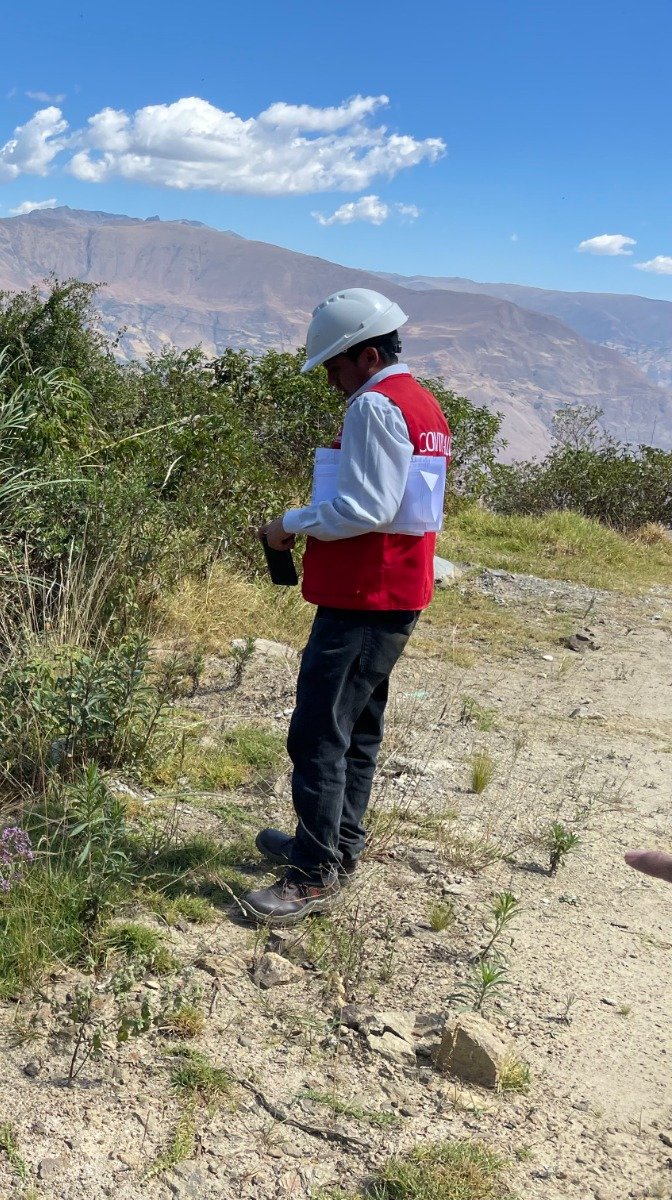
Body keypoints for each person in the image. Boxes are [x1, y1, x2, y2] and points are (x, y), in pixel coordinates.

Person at [244, 288, 451, 926]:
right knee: (357, 727)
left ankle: (312, 873)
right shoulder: (421, 405)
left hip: (364, 597)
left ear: (364, 355)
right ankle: (335, 843)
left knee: (317, 732)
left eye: (334, 366)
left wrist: (290, 524)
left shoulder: (375, 406)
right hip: (393, 592)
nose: (332, 380)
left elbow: (366, 509)